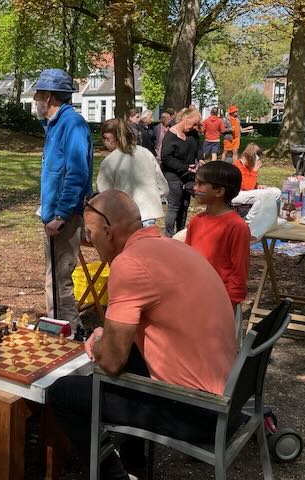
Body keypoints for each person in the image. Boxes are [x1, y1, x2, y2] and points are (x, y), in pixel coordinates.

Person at [48, 190, 236, 479]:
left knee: (62, 393)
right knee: (131, 357)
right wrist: (111, 334)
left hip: (199, 411)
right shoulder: (172, 247)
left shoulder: (129, 264)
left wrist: (100, 342)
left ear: (108, 232)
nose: (89, 241)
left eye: (91, 233)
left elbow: (111, 361)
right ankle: (134, 462)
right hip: (228, 396)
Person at [33, 68, 93, 329]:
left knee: (60, 282)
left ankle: (71, 335)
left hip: (64, 219)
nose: (35, 99)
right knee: (53, 280)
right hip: (53, 217)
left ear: (49, 96)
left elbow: (77, 173)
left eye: (38, 94)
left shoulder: (72, 124)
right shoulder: (54, 125)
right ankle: (57, 329)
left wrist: (60, 216)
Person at [185, 161, 250, 307]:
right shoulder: (196, 221)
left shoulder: (237, 227)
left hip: (220, 301)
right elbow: (187, 259)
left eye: (201, 184)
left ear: (219, 191)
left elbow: (239, 271)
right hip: (194, 297)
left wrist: (230, 302)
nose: (195, 188)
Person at [97, 118, 168, 225]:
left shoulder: (109, 161)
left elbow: (103, 195)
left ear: (107, 137)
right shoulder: (146, 153)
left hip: (124, 218)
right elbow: (163, 187)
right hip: (148, 215)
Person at [160, 107, 202, 237]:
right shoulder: (171, 135)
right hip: (172, 174)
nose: (195, 127)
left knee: (185, 205)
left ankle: (180, 234)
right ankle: (169, 236)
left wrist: (200, 159)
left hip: (188, 174)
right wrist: (185, 167)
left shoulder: (192, 134)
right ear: (186, 118)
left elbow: (198, 148)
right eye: (194, 124)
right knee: (174, 205)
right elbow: (166, 158)